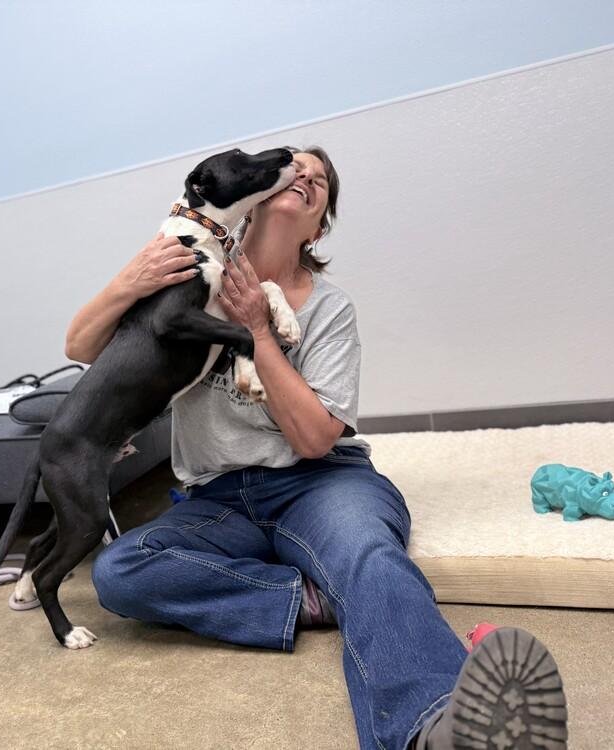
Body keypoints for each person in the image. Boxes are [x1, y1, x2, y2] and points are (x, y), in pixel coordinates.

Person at [65, 147, 568, 750]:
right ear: (251, 197)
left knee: (370, 559)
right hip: (217, 497)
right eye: (295, 168)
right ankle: (310, 599)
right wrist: (130, 279)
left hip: (320, 482)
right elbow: (80, 347)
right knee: (121, 570)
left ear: (319, 225)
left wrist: (256, 331)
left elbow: (313, 438)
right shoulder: (189, 277)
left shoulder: (330, 308)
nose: (304, 177)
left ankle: (436, 728)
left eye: (321, 182)